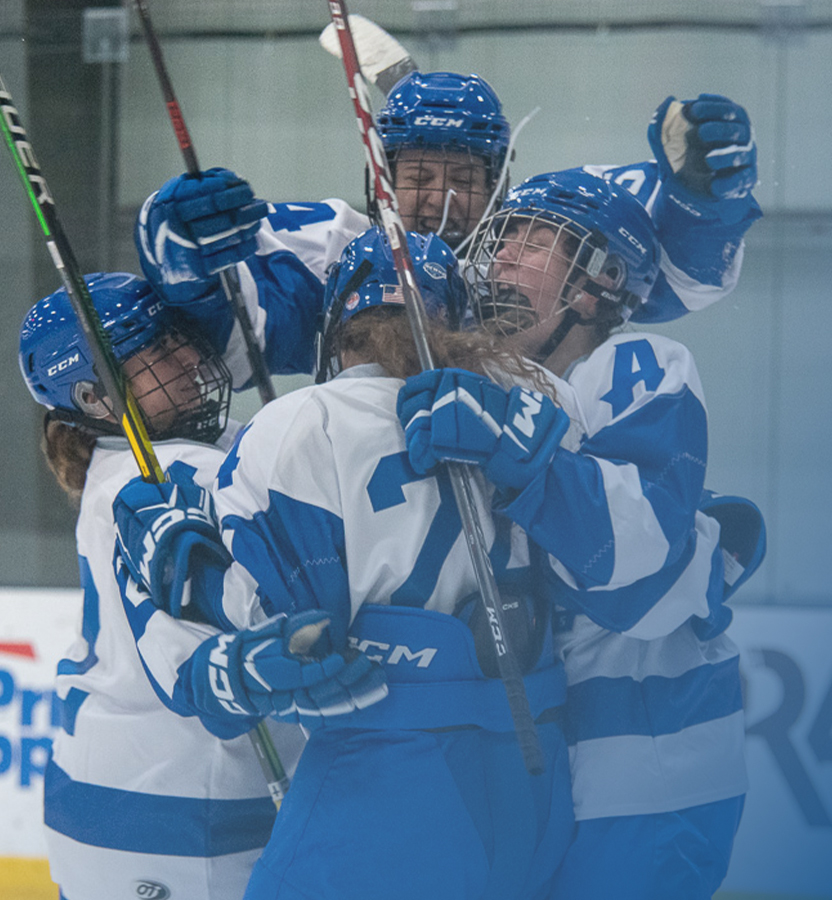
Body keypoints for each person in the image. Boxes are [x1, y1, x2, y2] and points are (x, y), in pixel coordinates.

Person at [113, 229, 577, 900]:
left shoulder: (303, 420)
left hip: (387, 773)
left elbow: (285, 628)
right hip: (536, 768)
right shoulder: (538, 400)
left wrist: (188, 570)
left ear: (336, 328)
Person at [418, 168, 763, 900]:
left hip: (648, 782)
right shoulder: (492, 388)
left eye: (538, 240)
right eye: (505, 235)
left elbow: (631, 572)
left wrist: (515, 443)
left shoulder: (634, 366)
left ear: (597, 282)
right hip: (536, 775)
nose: (505, 253)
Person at [136, 75, 761, 386]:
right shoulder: (335, 246)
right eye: (417, 176)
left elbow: (675, 277)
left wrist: (705, 205)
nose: (439, 200)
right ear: (378, 176)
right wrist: (182, 259)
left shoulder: (538, 247)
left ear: (502, 183)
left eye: (463, 175)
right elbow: (225, 338)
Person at [23, 273, 314, 900]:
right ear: (95, 396)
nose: (190, 358)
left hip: (142, 800)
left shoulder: (177, 454)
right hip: (174, 812)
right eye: (156, 353)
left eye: (180, 338)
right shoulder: (162, 473)